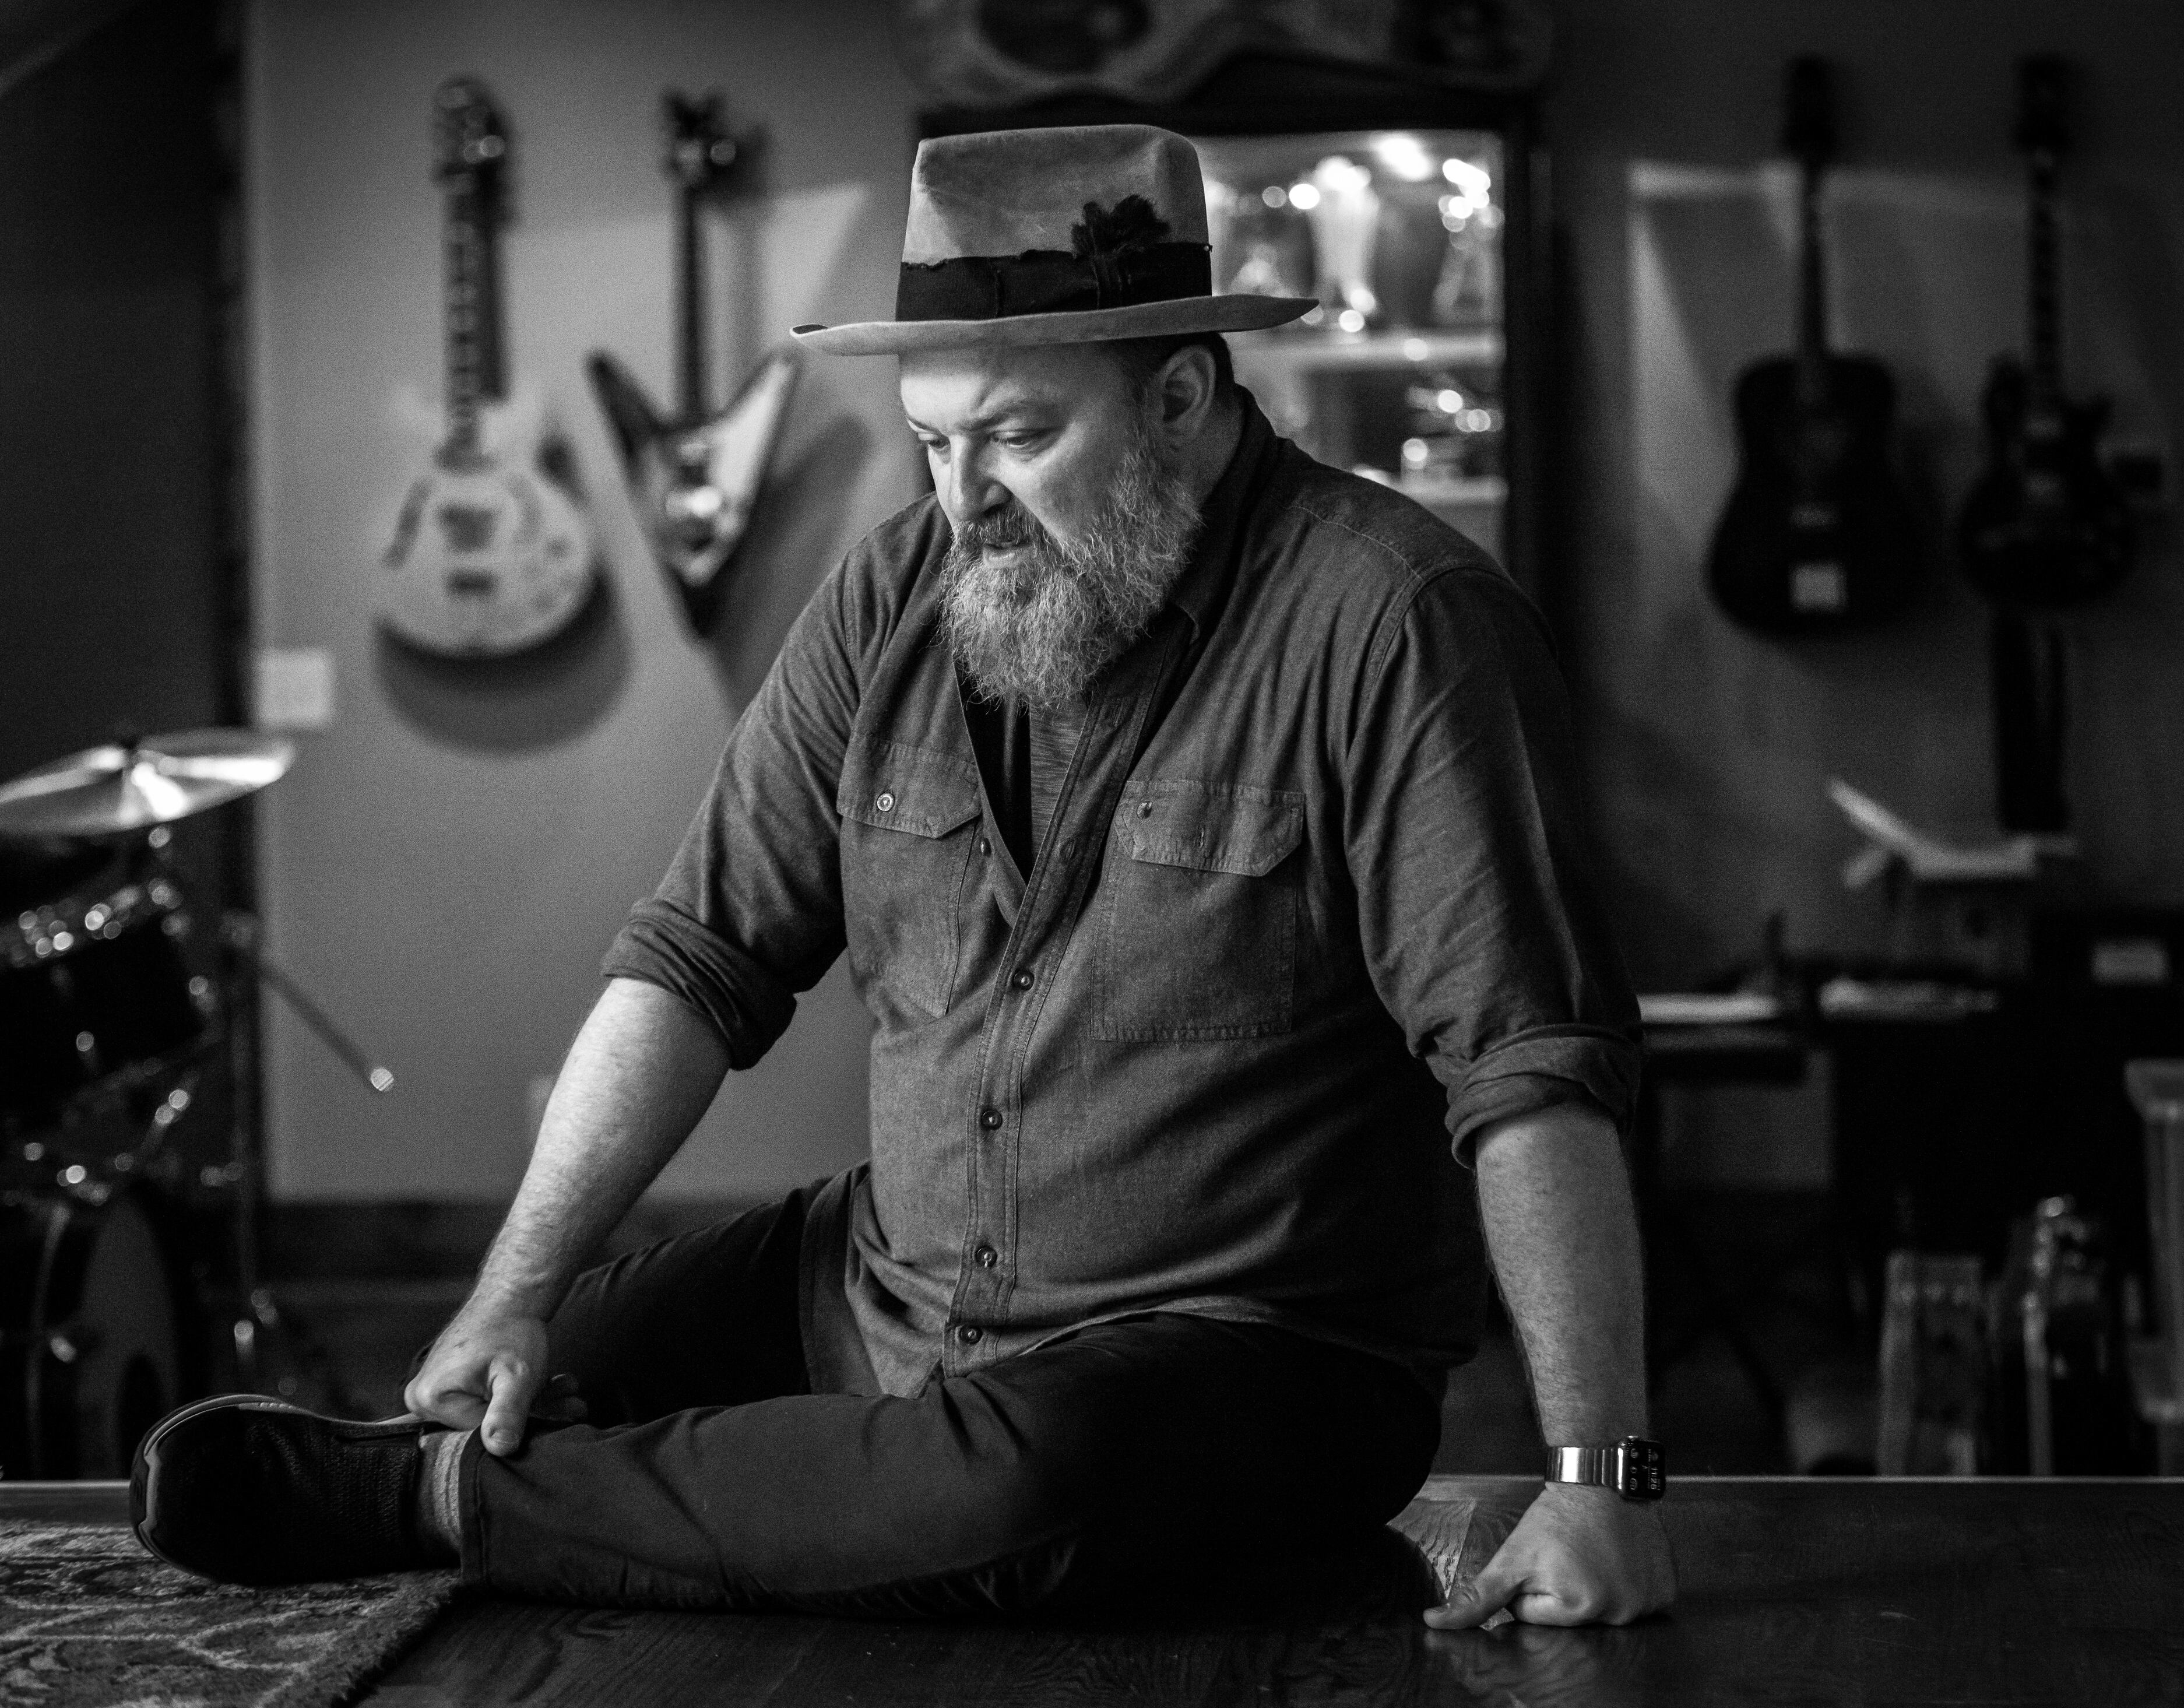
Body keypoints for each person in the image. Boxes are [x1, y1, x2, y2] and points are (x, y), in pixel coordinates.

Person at [133, 124, 1675, 1628]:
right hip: (888, 1285)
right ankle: (547, 1478)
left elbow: (1529, 1065)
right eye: (935, 441)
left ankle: (432, 1505)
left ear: (1183, 397)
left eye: (1018, 436)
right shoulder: (892, 596)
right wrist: (512, 1293)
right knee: (561, 1362)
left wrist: (1598, 1481)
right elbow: (693, 961)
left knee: (1021, 1487)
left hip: (1247, 1351)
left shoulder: (1396, 621)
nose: (963, 499)